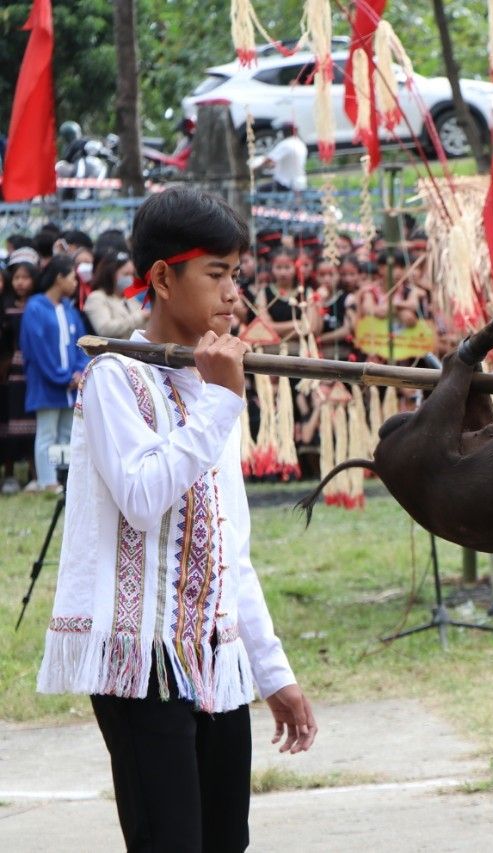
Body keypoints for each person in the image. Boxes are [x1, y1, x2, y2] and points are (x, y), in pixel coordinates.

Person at [35, 188, 317, 852]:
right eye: (216, 273)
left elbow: (230, 552)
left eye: (236, 274)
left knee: (225, 840)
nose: (233, 294)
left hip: (215, 659)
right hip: (143, 662)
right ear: (163, 277)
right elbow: (141, 493)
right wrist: (222, 401)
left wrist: (272, 672)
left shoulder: (206, 382)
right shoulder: (114, 377)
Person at [19, 254, 90, 492]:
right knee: (47, 432)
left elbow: (82, 344)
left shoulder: (70, 310)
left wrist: (79, 371)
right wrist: (61, 376)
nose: (75, 284)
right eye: (72, 278)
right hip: (47, 385)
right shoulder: (36, 307)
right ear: (59, 278)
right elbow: (36, 349)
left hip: (70, 385)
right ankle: (47, 481)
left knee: (66, 432)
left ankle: (62, 477)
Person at [0, 247, 38, 492]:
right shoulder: (7, 307)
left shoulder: (38, 306)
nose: (21, 282)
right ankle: (10, 473)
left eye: (26, 277)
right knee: (10, 420)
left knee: (34, 422)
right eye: (16, 277)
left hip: (33, 370)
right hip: (12, 370)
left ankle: (36, 473)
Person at [83, 250, 148, 338]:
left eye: (132, 274)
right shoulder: (97, 298)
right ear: (110, 274)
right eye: (126, 274)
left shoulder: (130, 299)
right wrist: (139, 317)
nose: (130, 278)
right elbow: (105, 329)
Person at [262, 120, 308, 193]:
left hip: (285, 183)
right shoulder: (301, 144)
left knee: (257, 191)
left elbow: (268, 160)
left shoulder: (285, 144)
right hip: (300, 182)